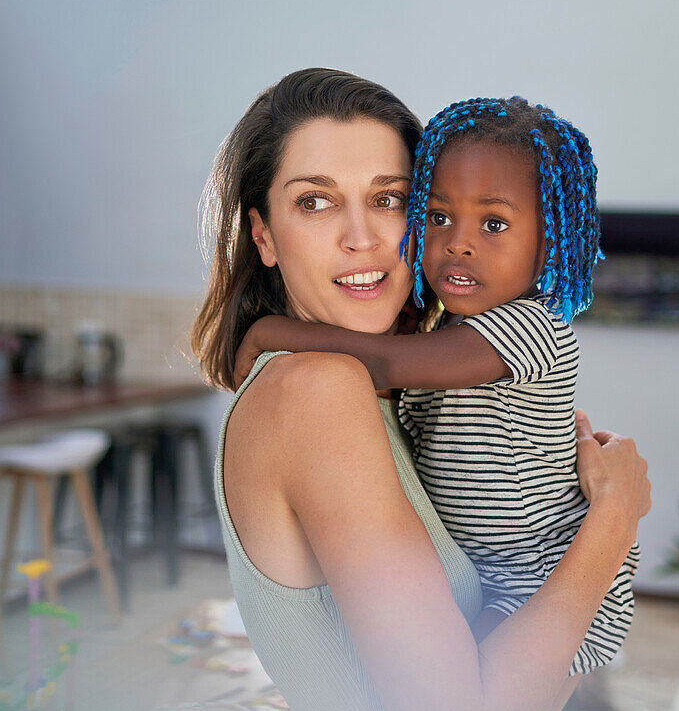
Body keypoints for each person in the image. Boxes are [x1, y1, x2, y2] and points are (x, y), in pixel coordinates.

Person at [191, 68, 651, 711]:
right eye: (315, 202)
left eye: (390, 199)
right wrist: (615, 518)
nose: (363, 238)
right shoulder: (314, 392)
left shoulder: (381, 389)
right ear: (262, 234)